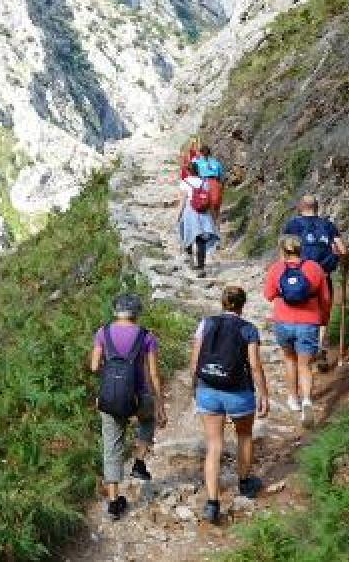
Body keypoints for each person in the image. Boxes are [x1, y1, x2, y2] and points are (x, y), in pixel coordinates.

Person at [190, 286, 270, 525]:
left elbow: (195, 359)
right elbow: (255, 366)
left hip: (208, 389)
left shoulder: (206, 323)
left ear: (222, 303)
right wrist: (264, 394)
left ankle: (212, 503)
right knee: (244, 436)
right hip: (238, 393)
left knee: (214, 445)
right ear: (242, 305)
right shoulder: (248, 329)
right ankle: (245, 483)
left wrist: (194, 386)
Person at [90, 293, 168, 520]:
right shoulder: (146, 336)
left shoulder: (102, 333)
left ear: (116, 311)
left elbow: (95, 366)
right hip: (139, 396)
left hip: (110, 398)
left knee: (111, 447)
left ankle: (114, 504)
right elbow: (153, 373)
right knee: (148, 419)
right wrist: (160, 404)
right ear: (137, 313)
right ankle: (139, 462)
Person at [263, 234, 331, 425]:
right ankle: (307, 400)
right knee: (305, 365)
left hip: (283, 321)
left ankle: (293, 399)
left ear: (282, 250)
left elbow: (268, 295)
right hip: (308, 322)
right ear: (301, 249)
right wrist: (324, 319)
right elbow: (325, 299)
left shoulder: (277, 269)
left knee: (289, 359)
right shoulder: (314, 268)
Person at [283, 196, 347, 367]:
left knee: (302, 310)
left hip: (299, 277)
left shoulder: (293, 225)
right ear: (317, 208)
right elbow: (343, 250)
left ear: (300, 207)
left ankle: (302, 349)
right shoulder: (328, 225)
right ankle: (320, 349)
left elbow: (284, 252)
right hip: (323, 277)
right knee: (323, 313)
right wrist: (336, 256)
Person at [178, 161, 220, 276]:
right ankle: (201, 266)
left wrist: (178, 214)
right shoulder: (204, 182)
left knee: (187, 235)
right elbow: (209, 200)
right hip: (203, 213)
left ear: (188, 171)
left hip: (189, 212)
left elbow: (183, 200)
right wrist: (213, 216)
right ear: (197, 170)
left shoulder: (184, 182)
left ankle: (190, 261)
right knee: (201, 240)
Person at [191, 144, 226, 222]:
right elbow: (222, 177)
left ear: (201, 153)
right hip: (215, 182)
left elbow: (193, 173)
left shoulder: (197, 162)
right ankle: (215, 222)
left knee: (204, 202)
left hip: (203, 182)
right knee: (216, 203)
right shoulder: (216, 162)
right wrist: (222, 188)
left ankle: (206, 223)